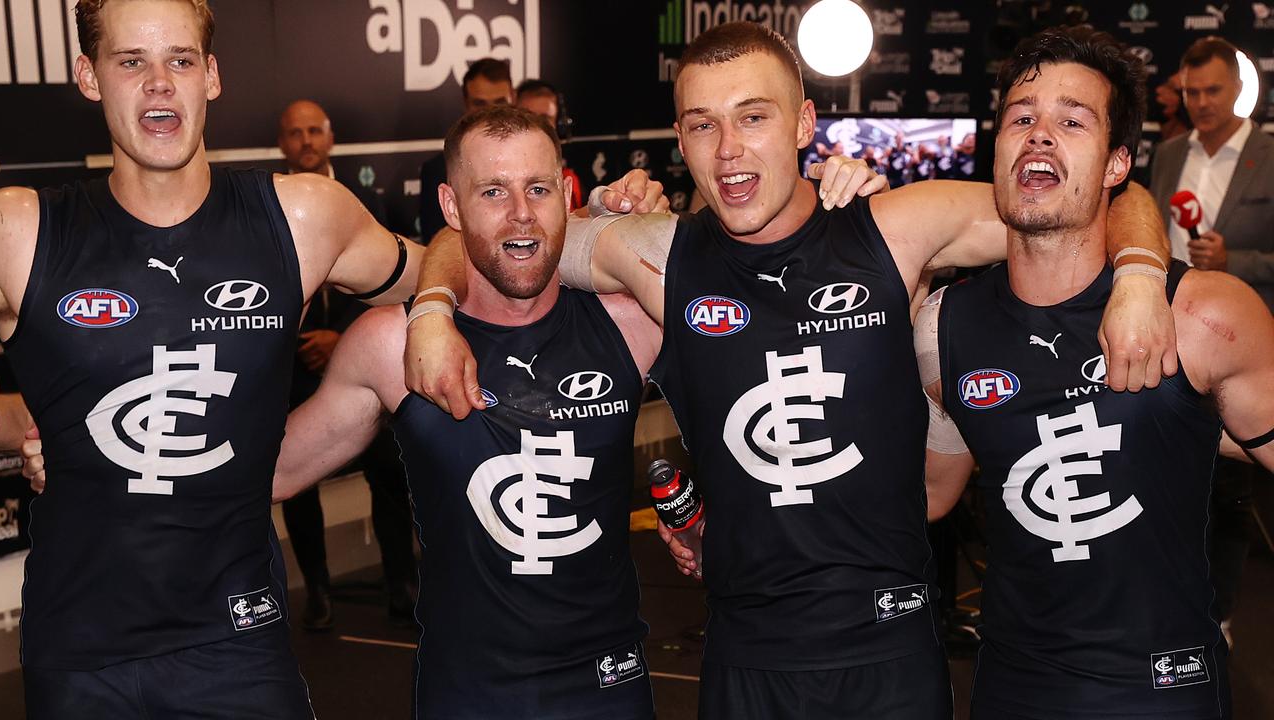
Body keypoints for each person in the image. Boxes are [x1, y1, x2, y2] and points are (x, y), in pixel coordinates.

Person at [406, 20, 1177, 720]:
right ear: (679, 138)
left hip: (889, 651)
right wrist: (433, 308)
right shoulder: (655, 255)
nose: (728, 150)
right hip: (747, 659)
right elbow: (491, 228)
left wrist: (1140, 271)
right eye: (702, 126)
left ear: (805, 123)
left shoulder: (896, 228)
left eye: (753, 116)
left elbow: (1091, 191)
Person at [0, 0, 429, 715]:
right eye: (131, 61)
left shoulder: (301, 216)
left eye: (181, 60)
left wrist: (594, 234)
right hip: (80, 655)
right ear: (88, 75)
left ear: (213, 76)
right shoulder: (20, 229)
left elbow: (456, 271)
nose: (160, 82)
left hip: (238, 647)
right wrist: (27, 426)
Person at [919, 25, 1274, 719]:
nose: (1040, 134)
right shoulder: (942, 326)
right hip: (1012, 687)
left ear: (1117, 166)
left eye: (1071, 121)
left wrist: (1141, 275)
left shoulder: (1202, 313)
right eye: (1021, 118)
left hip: (1163, 690)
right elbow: (929, 493)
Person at [276, 105, 667, 718]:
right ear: (452, 208)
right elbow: (272, 472)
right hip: (468, 694)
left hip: (608, 685)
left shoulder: (632, 321)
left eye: (538, 188)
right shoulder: (390, 343)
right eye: (492, 191)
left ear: (565, 192)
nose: (520, 212)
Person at [1149, 36, 1274, 645]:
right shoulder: (1168, 154)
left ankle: (1220, 615)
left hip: (1241, 347)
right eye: (1192, 91)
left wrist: (1237, 259)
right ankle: (1165, 599)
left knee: (1228, 489)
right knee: (1160, 474)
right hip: (1165, 335)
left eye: (1213, 91)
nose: (1200, 102)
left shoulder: (1271, 155)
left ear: (1239, 90)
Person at [276, 99, 418, 630]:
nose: (306, 141)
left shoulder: (374, 200)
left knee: (389, 474)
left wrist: (344, 340)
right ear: (283, 143)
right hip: (293, 372)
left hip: (368, 368)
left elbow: (402, 281)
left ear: (330, 137)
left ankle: (404, 584)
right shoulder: (268, 213)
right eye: (295, 133)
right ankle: (317, 591)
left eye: (315, 130)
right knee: (295, 485)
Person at [418, 58, 515, 242]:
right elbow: (439, 247)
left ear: (513, 98)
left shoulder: (538, 163)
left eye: (500, 103)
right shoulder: (438, 170)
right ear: (466, 104)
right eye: (480, 104)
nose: (491, 112)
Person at [515, 79, 584, 211]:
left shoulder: (568, 180)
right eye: (528, 117)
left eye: (544, 119)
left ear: (557, 124)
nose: (536, 125)